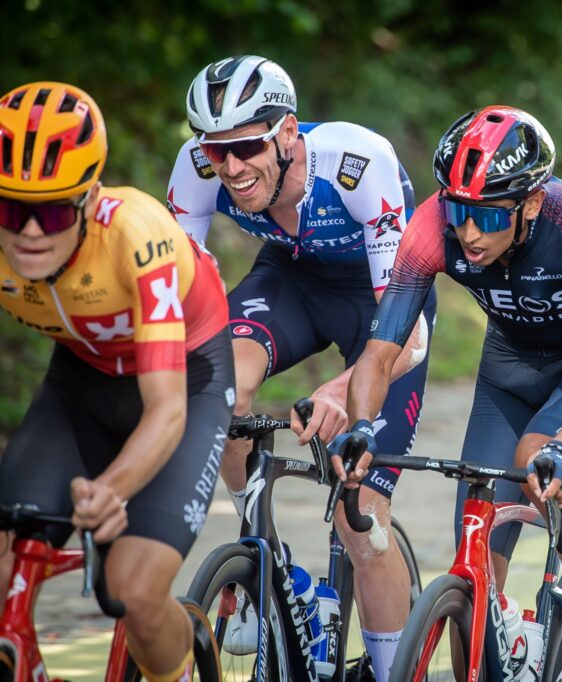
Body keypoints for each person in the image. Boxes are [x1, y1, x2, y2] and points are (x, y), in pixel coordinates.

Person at [335, 106, 562, 681]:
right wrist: (361, 426)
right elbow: (379, 353)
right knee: (474, 575)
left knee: (538, 457)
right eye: (458, 211)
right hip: (508, 366)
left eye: (485, 215)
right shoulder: (432, 226)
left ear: (529, 203)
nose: (468, 232)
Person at [165, 56, 433, 677]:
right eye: (214, 150)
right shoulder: (198, 167)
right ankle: (268, 571)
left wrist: (346, 387)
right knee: (214, 386)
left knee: (359, 514)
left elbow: (408, 329)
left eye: (246, 146)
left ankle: (392, 668)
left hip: (382, 303)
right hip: (290, 284)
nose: (229, 167)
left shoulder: (356, 163)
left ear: (287, 132)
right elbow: (175, 296)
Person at [0, 82, 234, 681]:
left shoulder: (137, 234)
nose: (29, 232)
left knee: (132, 590)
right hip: (81, 378)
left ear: (88, 199)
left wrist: (112, 488)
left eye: (51, 212)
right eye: (10, 209)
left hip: (185, 377)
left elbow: (167, 410)